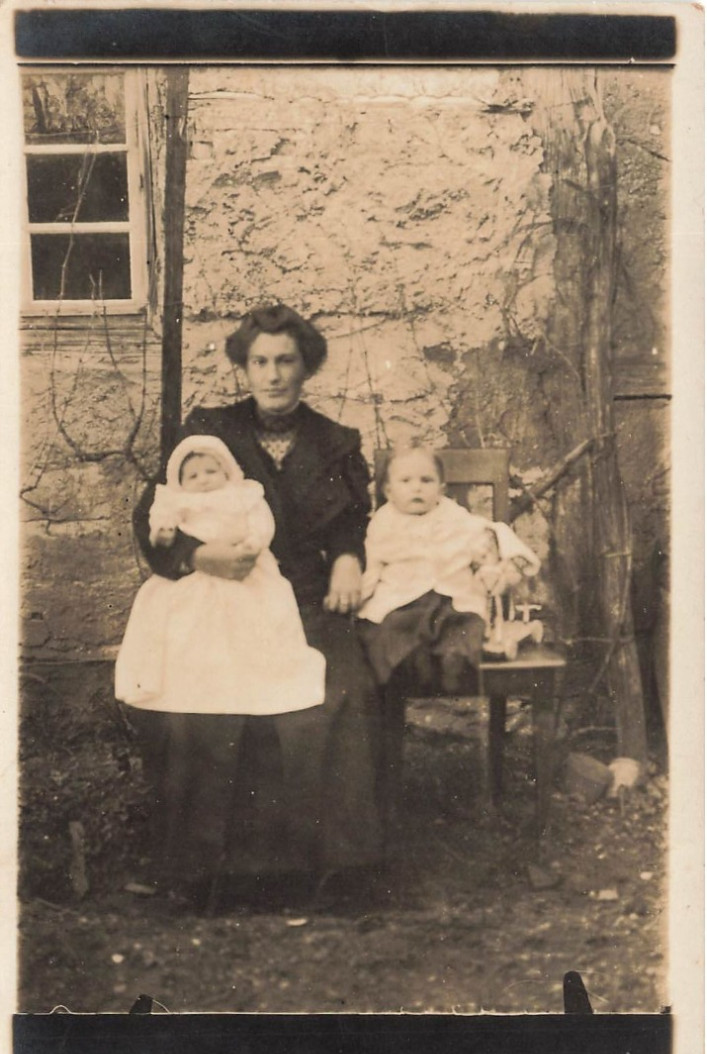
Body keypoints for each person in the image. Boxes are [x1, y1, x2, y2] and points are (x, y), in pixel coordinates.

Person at [130, 304, 384, 906]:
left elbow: (353, 521)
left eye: (286, 362)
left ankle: (334, 872)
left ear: (307, 367)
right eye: (260, 362)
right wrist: (197, 556)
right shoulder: (210, 430)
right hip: (221, 592)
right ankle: (208, 875)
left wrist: (348, 557)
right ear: (244, 368)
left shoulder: (335, 441)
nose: (273, 376)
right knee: (199, 700)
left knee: (337, 691)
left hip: (304, 596)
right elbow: (154, 512)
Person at [115, 434, 326, 715]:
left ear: (227, 471)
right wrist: (164, 532)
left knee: (258, 616)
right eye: (193, 475)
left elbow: (261, 521)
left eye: (211, 471)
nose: (203, 480)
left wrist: (255, 541)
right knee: (187, 621)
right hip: (199, 572)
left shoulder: (243, 495)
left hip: (245, 567)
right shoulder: (179, 501)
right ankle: (197, 680)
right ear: (180, 481)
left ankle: (251, 677)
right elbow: (161, 517)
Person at [357, 446, 541, 693]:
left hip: (453, 599)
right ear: (388, 491)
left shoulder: (456, 518)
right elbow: (371, 566)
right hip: (402, 601)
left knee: (466, 627)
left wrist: (496, 566)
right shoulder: (382, 524)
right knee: (391, 633)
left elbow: (491, 533)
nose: (417, 488)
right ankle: (414, 663)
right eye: (406, 481)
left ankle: (454, 662)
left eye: (426, 480)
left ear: (441, 489)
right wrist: (357, 597)